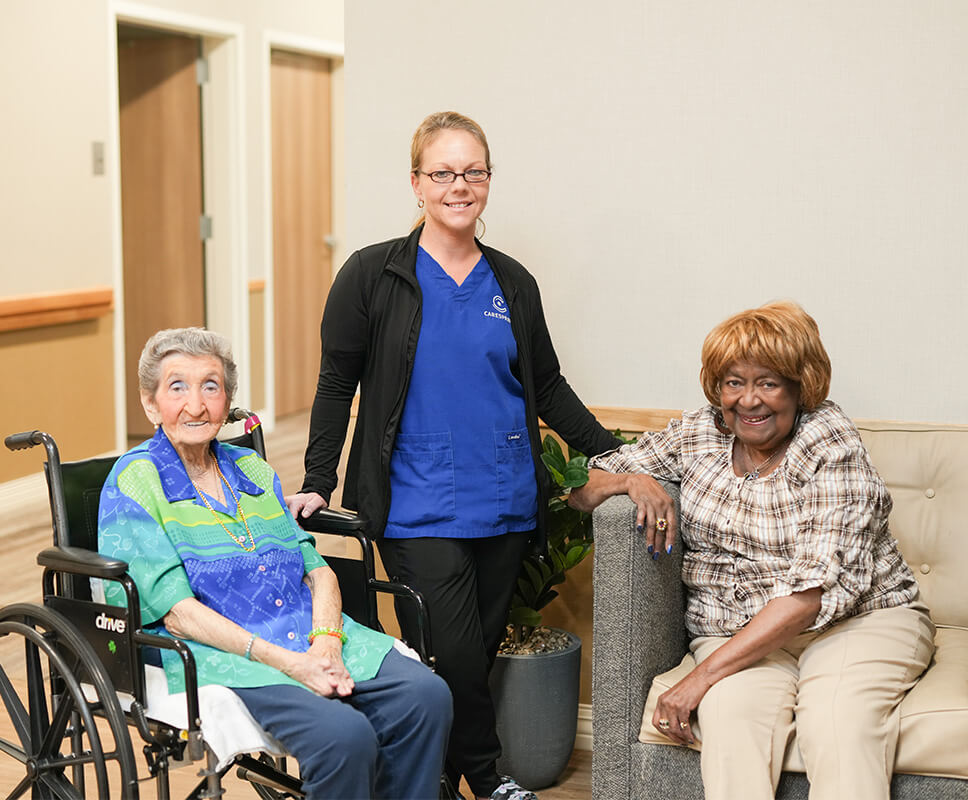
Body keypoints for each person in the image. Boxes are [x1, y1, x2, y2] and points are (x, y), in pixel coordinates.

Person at [285, 111, 619, 800]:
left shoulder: (512, 282)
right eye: (442, 173)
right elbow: (334, 382)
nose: (458, 185)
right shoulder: (372, 275)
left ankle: (426, 777)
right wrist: (319, 479)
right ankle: (489, 777)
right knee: (454, 656)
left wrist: (611, 449)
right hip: (415, 501)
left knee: (470, 655)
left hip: (503, 499)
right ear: (416, 182)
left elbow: (546, 385)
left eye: (472, 172)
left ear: (489, 181)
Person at [569, 301, 934, 800]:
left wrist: (696, 680)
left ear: (801, 386)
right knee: (732, 720)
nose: (749, 400)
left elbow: (810, 595)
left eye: (768, 382)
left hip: (858, 621)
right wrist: (632, 480)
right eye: (733, 382)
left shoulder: (831, 443)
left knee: (837, 721)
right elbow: (576, 485)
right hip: (735, 629)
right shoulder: (699, 433)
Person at [98, 327, 453, 800]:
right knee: (344, 737)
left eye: (211, 386)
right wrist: (291, 663)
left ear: (227, 401)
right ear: (151, 404)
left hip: (305, 631)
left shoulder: (253, 471)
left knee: (427, 698)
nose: (196, 404)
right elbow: (178, 613)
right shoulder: (135, 482)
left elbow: (318, 570)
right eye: (177, 387)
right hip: (225, 655)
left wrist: (325, 642)